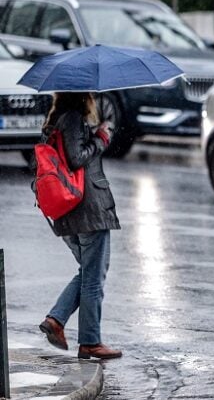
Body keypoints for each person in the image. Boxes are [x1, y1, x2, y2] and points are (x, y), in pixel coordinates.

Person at [38, 92, 123, 360]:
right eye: (91, 95)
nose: (94, 99)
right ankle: (89, 341)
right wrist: (101, 138)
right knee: (94, 277)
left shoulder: (56, 121)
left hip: (70, 211)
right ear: (82, 97)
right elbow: (77, 157)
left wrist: (93, 134)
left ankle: (57, 319)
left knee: (88, 272)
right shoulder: (73, 119)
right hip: (87, 209)